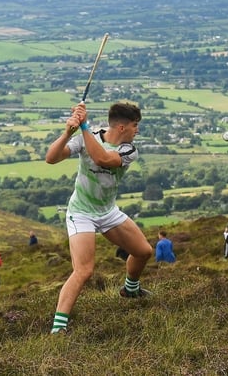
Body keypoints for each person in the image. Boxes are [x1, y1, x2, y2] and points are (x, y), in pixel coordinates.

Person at [45, 101, 153, 334]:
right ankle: (58, 328)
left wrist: (83, 127)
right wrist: (67, 133)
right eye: (135, 126)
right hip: (81, 213)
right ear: (122, 127)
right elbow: (51, 158)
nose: (138, 130)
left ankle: (130, 289)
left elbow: (104, 159)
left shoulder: (128, 150)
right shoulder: (88, 136)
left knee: (144, 252)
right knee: (84, 270)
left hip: (107, 211)